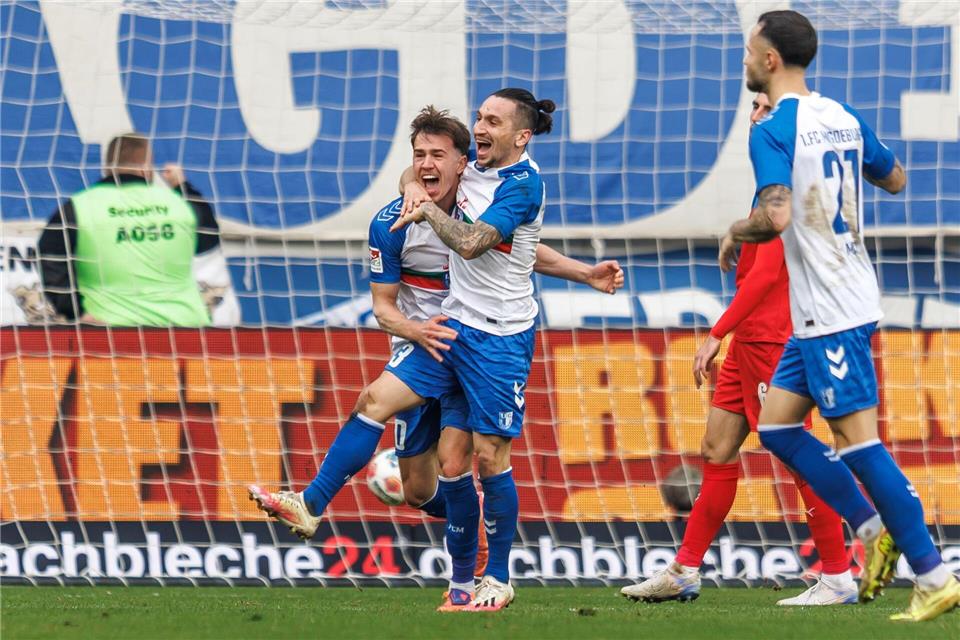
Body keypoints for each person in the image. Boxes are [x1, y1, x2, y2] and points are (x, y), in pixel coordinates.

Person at [248, 104, 623, 607]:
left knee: (470, 461)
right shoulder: (393, 220)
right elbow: (382, 305)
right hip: (432, 336)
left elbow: (514, 247)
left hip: (493, 339)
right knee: (410, 474)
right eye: (418, 156)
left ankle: (478, 580)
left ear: (463, 162)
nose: (426, 164)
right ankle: (310, 505)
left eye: (437, 156)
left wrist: (583, 273)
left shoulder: (484, 191)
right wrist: (411, 188)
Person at [718, 10, 959, 622]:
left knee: (860, 442)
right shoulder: (841, 115)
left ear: (770, 60)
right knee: (776, 427)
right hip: (831, 301)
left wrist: (733, 230)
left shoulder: (772, 128)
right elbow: (897, 179)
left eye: (750, 52)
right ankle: (871, 525)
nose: (745, 61)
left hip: (831, 308)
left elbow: (772, 217)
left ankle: (933, 574)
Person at [622, 93, 853, 606]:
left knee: (800, 461)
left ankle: (838, 574)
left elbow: (766, 275)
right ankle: (684, 570)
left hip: (773, 343)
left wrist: (715, 331)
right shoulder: (771, 190)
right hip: (750, 345)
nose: (755, 123)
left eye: (765, 119)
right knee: (716, 451)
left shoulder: (784, 195)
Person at [388, 88, 559, 611]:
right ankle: (462, 581)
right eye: (479, 117)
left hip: (502, 337)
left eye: (493, 121)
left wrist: (422, 211)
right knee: (451, 459)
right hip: (457, 327)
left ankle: (500, 576)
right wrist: (412, 184)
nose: (480, 127)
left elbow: (469, 242)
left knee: (490, 456)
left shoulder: (522, 186)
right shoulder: (473, 167)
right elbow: (421, 168)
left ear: (521, 136)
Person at [37, 132, 218, 326]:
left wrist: (74, 310)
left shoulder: (79, 206)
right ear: (146, 168)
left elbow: (49, 256)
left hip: (112, 332)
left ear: (107, 167)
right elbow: (208, 241)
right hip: (184, 327)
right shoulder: (179, 204)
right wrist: (182, 186)